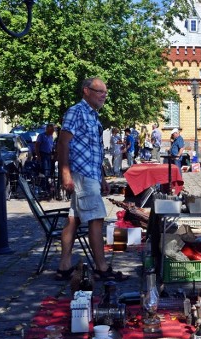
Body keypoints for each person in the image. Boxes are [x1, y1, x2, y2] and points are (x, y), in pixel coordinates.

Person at [56, 77, 128, 282]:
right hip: (82, 174)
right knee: (96, 219)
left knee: (74, 219)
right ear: (86, 91)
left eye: (105, 92)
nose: (104, 95)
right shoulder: (76, 112)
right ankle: (101, 267)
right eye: (100, 91)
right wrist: (65, 173)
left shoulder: (93, 116)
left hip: (91, 174)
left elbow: (93, 150)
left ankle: (64, 267)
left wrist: (102, 177)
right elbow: (63, 143)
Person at [35, 123, 56, 189]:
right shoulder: (41, 136)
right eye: (51, 130)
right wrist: (38, 156)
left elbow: (51, 146)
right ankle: (44, 186)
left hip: (49, 154)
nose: (53, 131)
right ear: (48, 129)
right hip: (43, 154)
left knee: (49, 170)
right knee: (45, 170)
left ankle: (47, 185)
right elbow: (37, 146)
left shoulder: (51, 136)